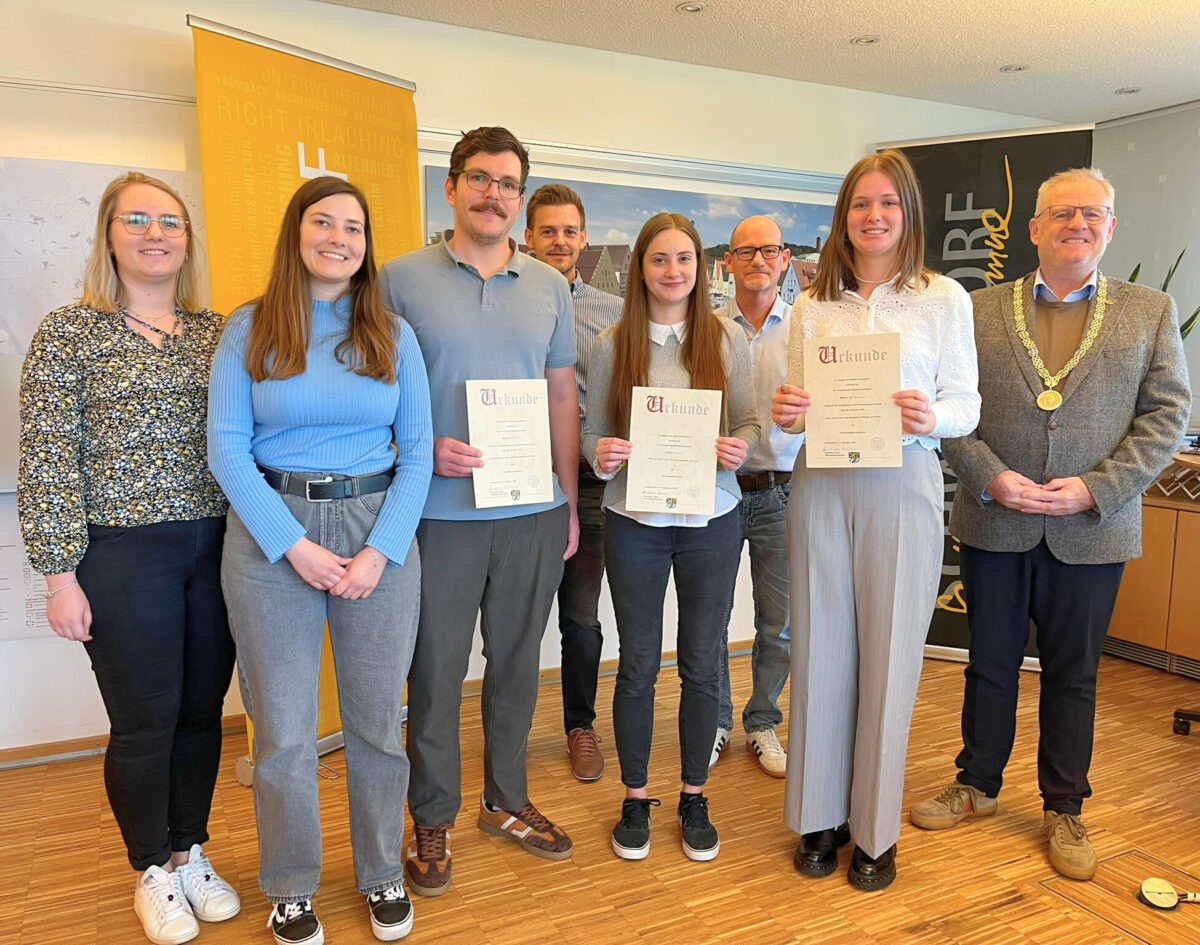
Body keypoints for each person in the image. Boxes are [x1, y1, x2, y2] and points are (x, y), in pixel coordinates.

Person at [910, 167, 1191, 881]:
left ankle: (1064, 805)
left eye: (1093, 213)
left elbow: (1167, 417)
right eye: (1062, 212)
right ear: (1033, 228)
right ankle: (976, 782)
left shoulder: (1151, 310)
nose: (1078, 224)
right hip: (996, 521)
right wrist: (989, 475)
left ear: (1111, 227)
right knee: (989, 664)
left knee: (1075, 674)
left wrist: (1097, 488)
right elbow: (948, 409)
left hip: (1094, 530)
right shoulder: (975, 310)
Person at [208, 176, 433, 944]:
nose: (339, 238)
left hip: (378, 527)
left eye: (354, 227)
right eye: (323, 222)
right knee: (283, 731)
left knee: (377, 723)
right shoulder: (250, 328)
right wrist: (293, 544)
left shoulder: (392, 334)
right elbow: (227, 449)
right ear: (296, 233)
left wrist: (380, 550)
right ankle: (291, 884)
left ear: (367, 245)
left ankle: (381, 870)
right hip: (272, 528)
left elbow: (420, 453)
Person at [18, 171, 240, 945]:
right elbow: (48, 456)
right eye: (136, 219)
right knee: (145, 720)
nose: (155, 233)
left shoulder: (218, 333)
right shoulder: (69, 332)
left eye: (170, 221)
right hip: (121, 552)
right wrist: (59, 577)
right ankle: (151, 867)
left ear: (187, 241)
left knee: (202, 713)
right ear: (109, 236)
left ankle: (188, 850)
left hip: (217, 547)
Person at [772, 150, 980, 891]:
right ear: (844, 216)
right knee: (820, 648)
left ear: (908, 212)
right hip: (822, 481)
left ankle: (875, 828)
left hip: (903, 480)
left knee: (891, 657)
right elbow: (794, 418)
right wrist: (787, 413)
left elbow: (967, 403)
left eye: (888, 202)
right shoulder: (811, 305)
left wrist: (934, 415)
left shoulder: (943, 298)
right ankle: (819, 814)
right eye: (861, 203)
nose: (874, 215)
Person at [379, 127, 579, 898]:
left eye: (508, 183)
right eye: (480, 179)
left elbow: (560, 395)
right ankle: (432, 814)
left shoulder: (549, 286)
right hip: (435, 514)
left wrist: (566, 500)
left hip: (531, 510)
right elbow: (376, 390)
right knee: (434, 671)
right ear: (452, 187)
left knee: (519, 664)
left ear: (520, 198)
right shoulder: (399, 280)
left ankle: (504, 799)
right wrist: (419, 447)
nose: (494, 194)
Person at [583, 212, 760, 862]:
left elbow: (747, 421)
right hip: (636, 523)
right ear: (641, 268)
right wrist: (601, 452)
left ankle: (693, 794)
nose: (673, 270)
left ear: (701, 267)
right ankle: (635, 796)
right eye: (659, 258)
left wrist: (739, 447)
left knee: (702, 662)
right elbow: (592, 434)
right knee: (636, 662)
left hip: (712, 521)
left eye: (684, 258)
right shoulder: (612, 343)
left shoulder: (726, 339)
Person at [524, 183, 623, 782]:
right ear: (528, 237)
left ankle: (579, 726)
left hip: (589, 489)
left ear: (583, 239)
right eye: (548, 231)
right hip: (519, 485)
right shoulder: (507, 305)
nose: (559, 241)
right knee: (515, 620)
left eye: (569, 231)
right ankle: (507, 735)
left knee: (581, 619)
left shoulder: (614, 314)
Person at [711, 215, 798, 778]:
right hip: (717, 491)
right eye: (746, 251)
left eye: (769, 250)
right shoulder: (707, 330)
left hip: (782, 492)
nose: (758, 261)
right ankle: (714, 719)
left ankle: (762, 721)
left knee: (779, 623)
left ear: (785, 258)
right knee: (710, 618)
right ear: (729, 262)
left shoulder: (807, 331)